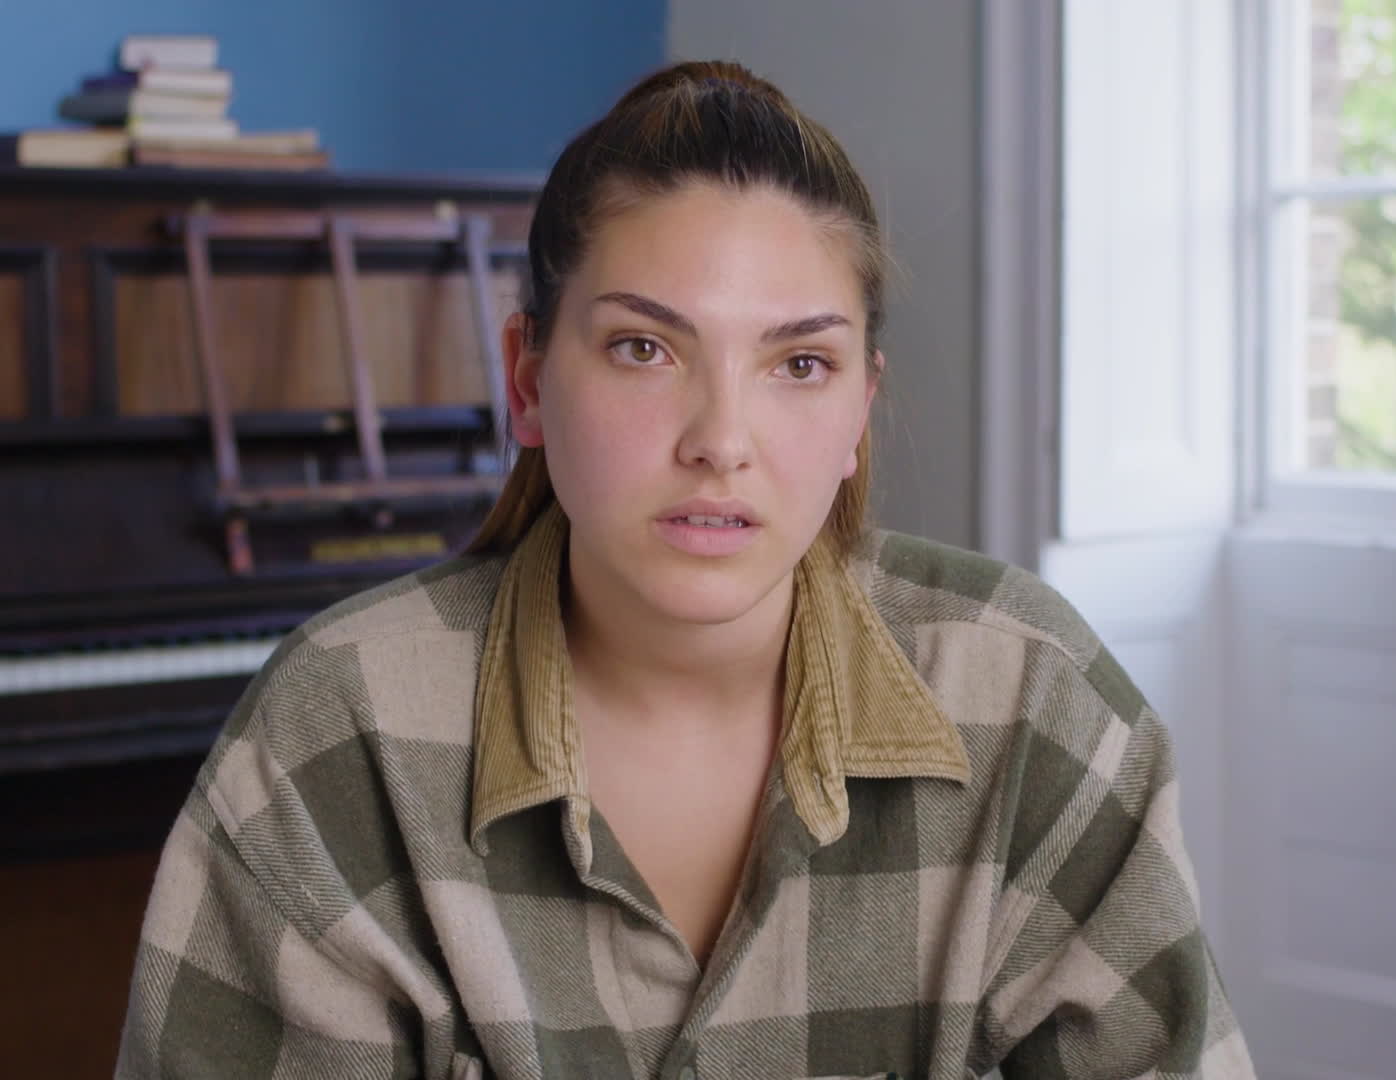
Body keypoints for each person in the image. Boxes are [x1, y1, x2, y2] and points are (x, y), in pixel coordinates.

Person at [115, 60, 1253, 1079]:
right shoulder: (334, 734)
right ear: (527, 382)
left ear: (859, 409)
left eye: (798, 364)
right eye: (644, 348)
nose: (721, 439)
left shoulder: (1037, 703)